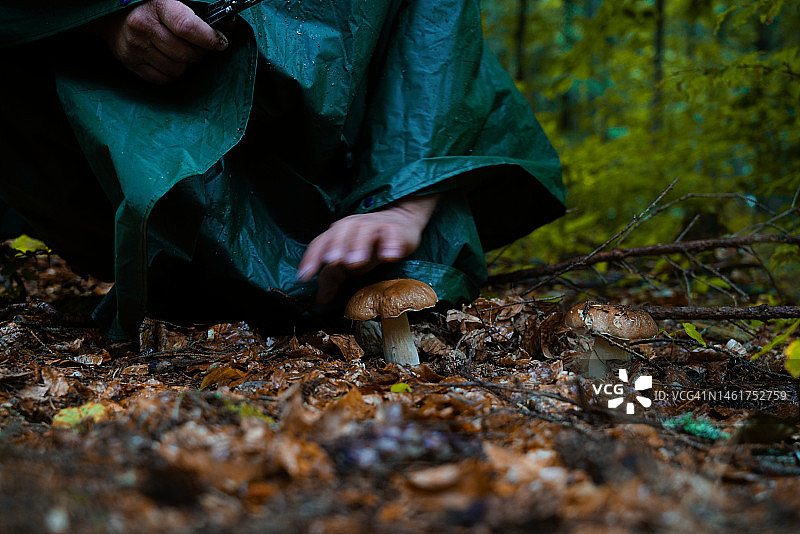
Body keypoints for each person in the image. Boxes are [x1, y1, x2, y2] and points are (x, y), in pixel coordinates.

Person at [0, 0, 565, 337]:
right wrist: (107, 19)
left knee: (404, 282)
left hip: (353, 157)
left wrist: (404, 202)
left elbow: (437, 45)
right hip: (128, 128)